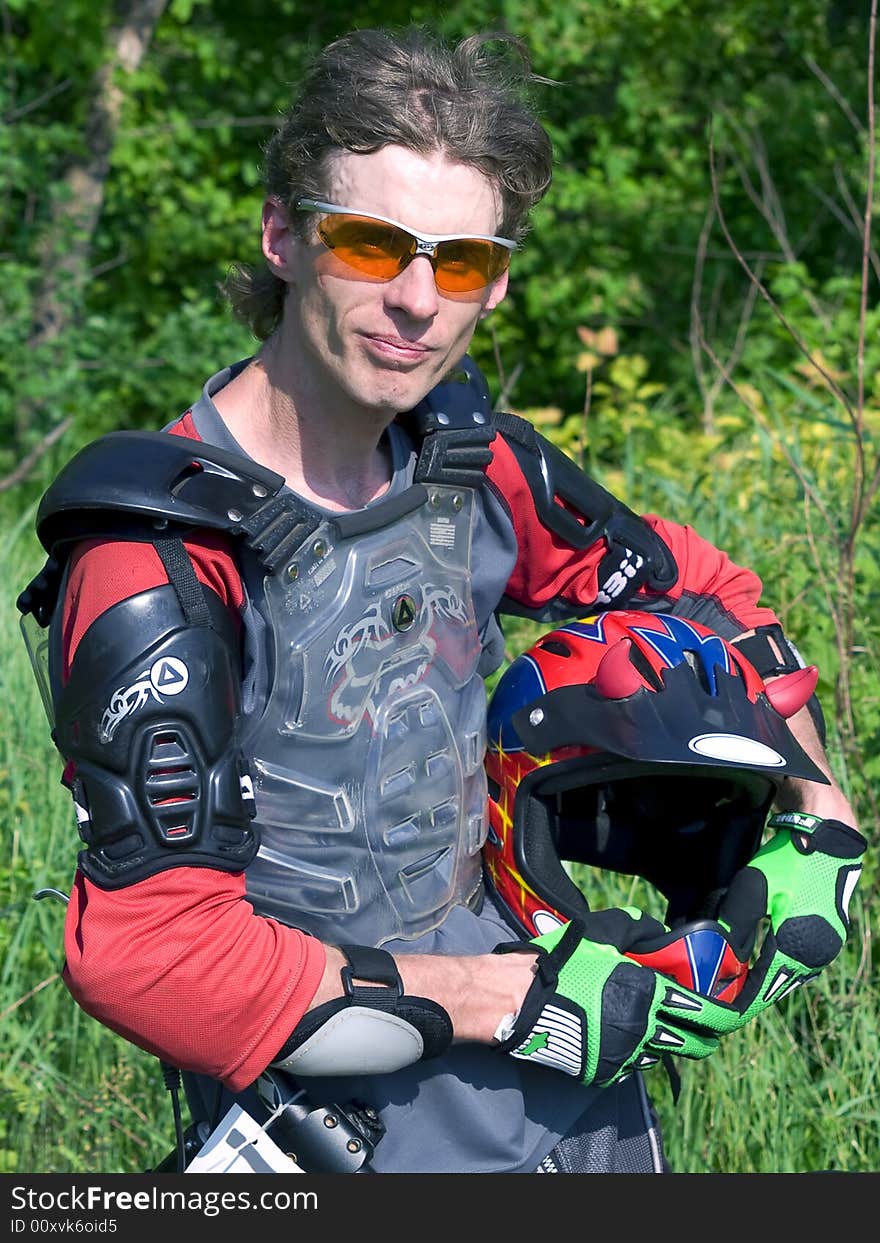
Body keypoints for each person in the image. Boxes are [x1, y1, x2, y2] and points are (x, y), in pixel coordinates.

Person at [18, 25, 864, 1175]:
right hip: (353, 1130)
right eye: (371, 243)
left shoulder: (470, 467)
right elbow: (149, 953)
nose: (415, 300)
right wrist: (507, 999)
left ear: (496, 280)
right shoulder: (161, 547)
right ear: (281, 235)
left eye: (458, 260)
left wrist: (822, 818)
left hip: (588, 1111)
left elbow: (709, 594)